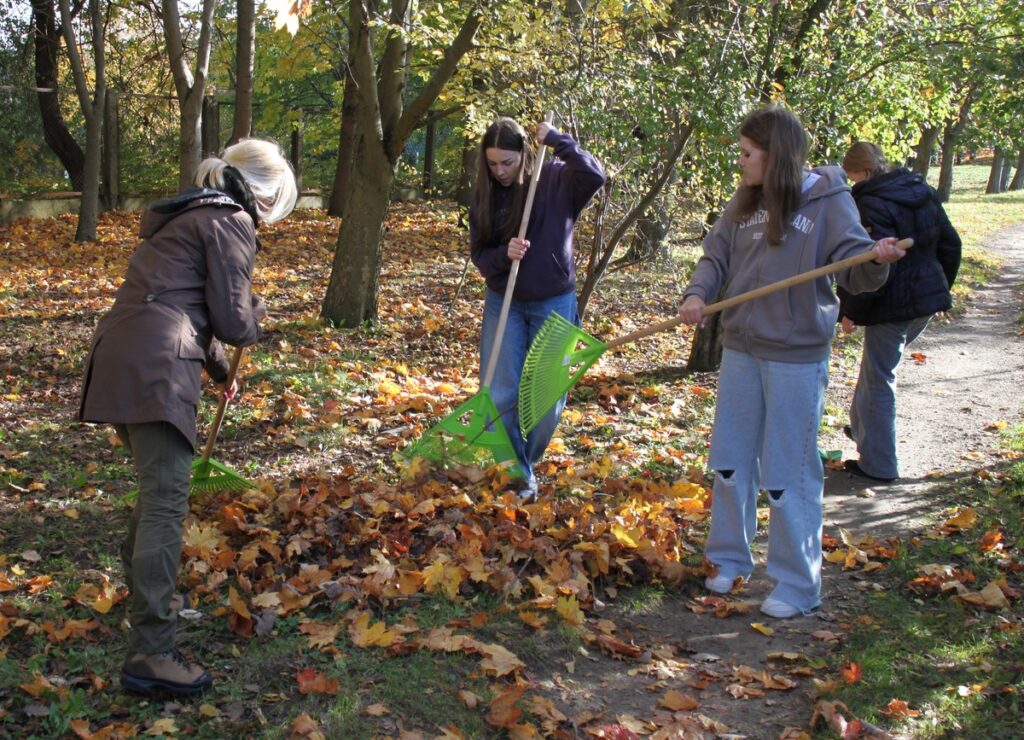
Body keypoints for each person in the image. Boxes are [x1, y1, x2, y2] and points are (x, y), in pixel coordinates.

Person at [79, 138, 297, 695]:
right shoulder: (231, 221)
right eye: (277, 206)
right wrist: (257, 315)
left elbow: (185, 302)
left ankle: (155, 603)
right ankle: (151, 653)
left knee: (159, 494)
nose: (270, 219)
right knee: (167, 504)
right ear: (265, 196)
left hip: (123, 354)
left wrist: (222, 374)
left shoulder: (193, 215)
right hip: (156, 365)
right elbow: (232, 320)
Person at [676, 106, 907, 618]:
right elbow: (715, 257)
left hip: (795, 359)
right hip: (741, 349)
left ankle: (797, 583)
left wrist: (875, 257)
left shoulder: (827, 199)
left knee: (787, 471)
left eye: (746, 154)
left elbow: (854, 262)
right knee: (732, 462)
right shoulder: (744, 202)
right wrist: (698, 294)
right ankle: (730, 559)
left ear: (774, 155)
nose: (740, 163)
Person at [469, 117, 605, 499]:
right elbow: (479, 254)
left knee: (546, 401)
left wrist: (559, 141)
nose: (500, 172)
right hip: (505, 302)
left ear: (525, 154)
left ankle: (522, 464)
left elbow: (594, 175)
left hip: (553, 301)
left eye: (507, 163)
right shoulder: (485, 194)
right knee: (499, 394)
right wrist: (502, 255)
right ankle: (519, 476)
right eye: (493, 164)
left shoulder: (557, 178)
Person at [838, 142, 961, 482]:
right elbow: (951, 244)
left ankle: (878, 465)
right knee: (876, 368)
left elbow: (870, 268)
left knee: (880, 378)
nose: (852, 184)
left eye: (852, 177)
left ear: (861, 172)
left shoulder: (868, 203)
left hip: (890, 304)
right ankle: (865, 433)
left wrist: (850, 310)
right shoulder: (919, 189)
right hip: (923, 298)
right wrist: (939, 292)